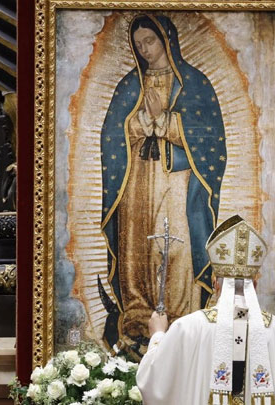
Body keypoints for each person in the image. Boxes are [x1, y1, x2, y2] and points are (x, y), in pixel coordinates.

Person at [100, 13, 227, 347]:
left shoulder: (193, 83)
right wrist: (141, 123)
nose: (144, 50)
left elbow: (210, 140)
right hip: (137, 179)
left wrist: (166, 121)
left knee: (175, 246)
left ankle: (182, 318)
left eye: (150, 41)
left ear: (166, 40)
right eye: (138, 44)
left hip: (177, 180)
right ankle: (139, 316)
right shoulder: (130, 85)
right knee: (137, 247)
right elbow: (112, 135)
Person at [136, 215, 275, 404]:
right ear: (254, 285)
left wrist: (157, 334)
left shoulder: (187, 329)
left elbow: (154, 381)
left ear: (216, 284)